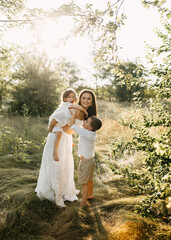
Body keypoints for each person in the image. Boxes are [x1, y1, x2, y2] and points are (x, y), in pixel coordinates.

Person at [35, 89, 97, 208]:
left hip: (66, 139)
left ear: (92, 102)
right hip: (59, 137)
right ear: (80, 98)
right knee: (56, 165)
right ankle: (54, 191)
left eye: (88, 98)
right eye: (83, 98)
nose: (85, 100)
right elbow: (64, 128)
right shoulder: (74, 108)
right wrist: (53, 127)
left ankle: (72, 191)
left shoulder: (88, 115)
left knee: (65, 166)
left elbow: (72, 130)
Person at [70, 110, 102, 207]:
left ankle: (84, 202)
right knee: (89, 180)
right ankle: (89, 195)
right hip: (90, 161)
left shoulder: (86, 133)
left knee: (84, 183)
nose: (84, 121)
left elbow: (72, 126)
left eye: (86, 121)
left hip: (86, 162)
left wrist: (73, 115)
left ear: (90, 127)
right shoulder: (91, 134)